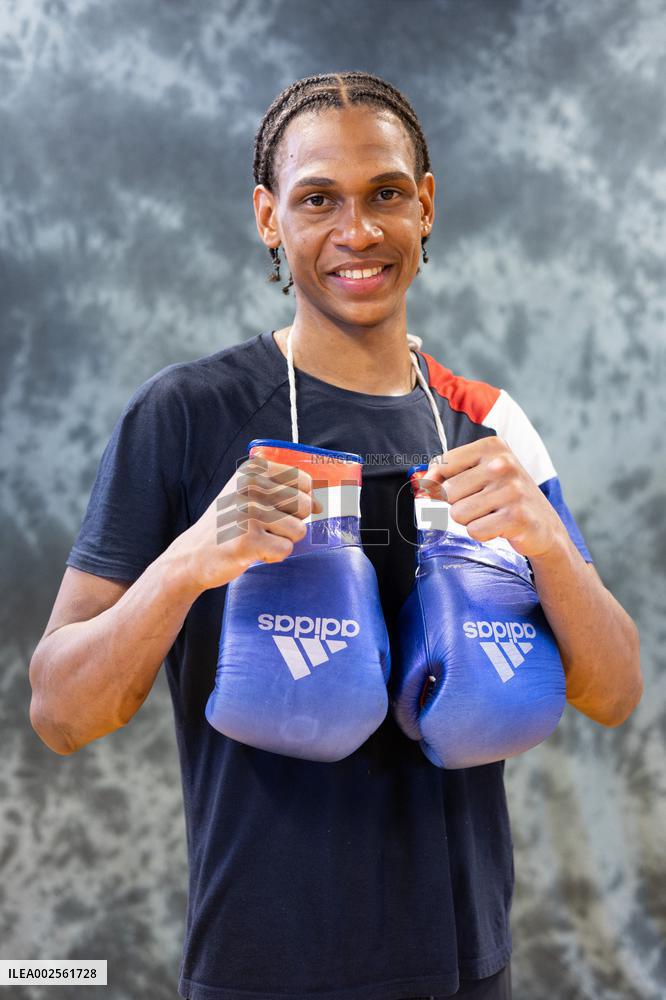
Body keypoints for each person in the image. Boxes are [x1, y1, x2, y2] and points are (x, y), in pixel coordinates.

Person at [28, 72, 642, 1000]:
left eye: (386, 193)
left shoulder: (486, 424)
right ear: (270, 217)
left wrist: (550, 548)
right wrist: (190, 564)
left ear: (425, 204)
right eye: (319, 199)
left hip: (469, 969)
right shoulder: (187, 415)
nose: (358, 232)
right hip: (264, 969)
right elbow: (61, 712)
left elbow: (616, 689)